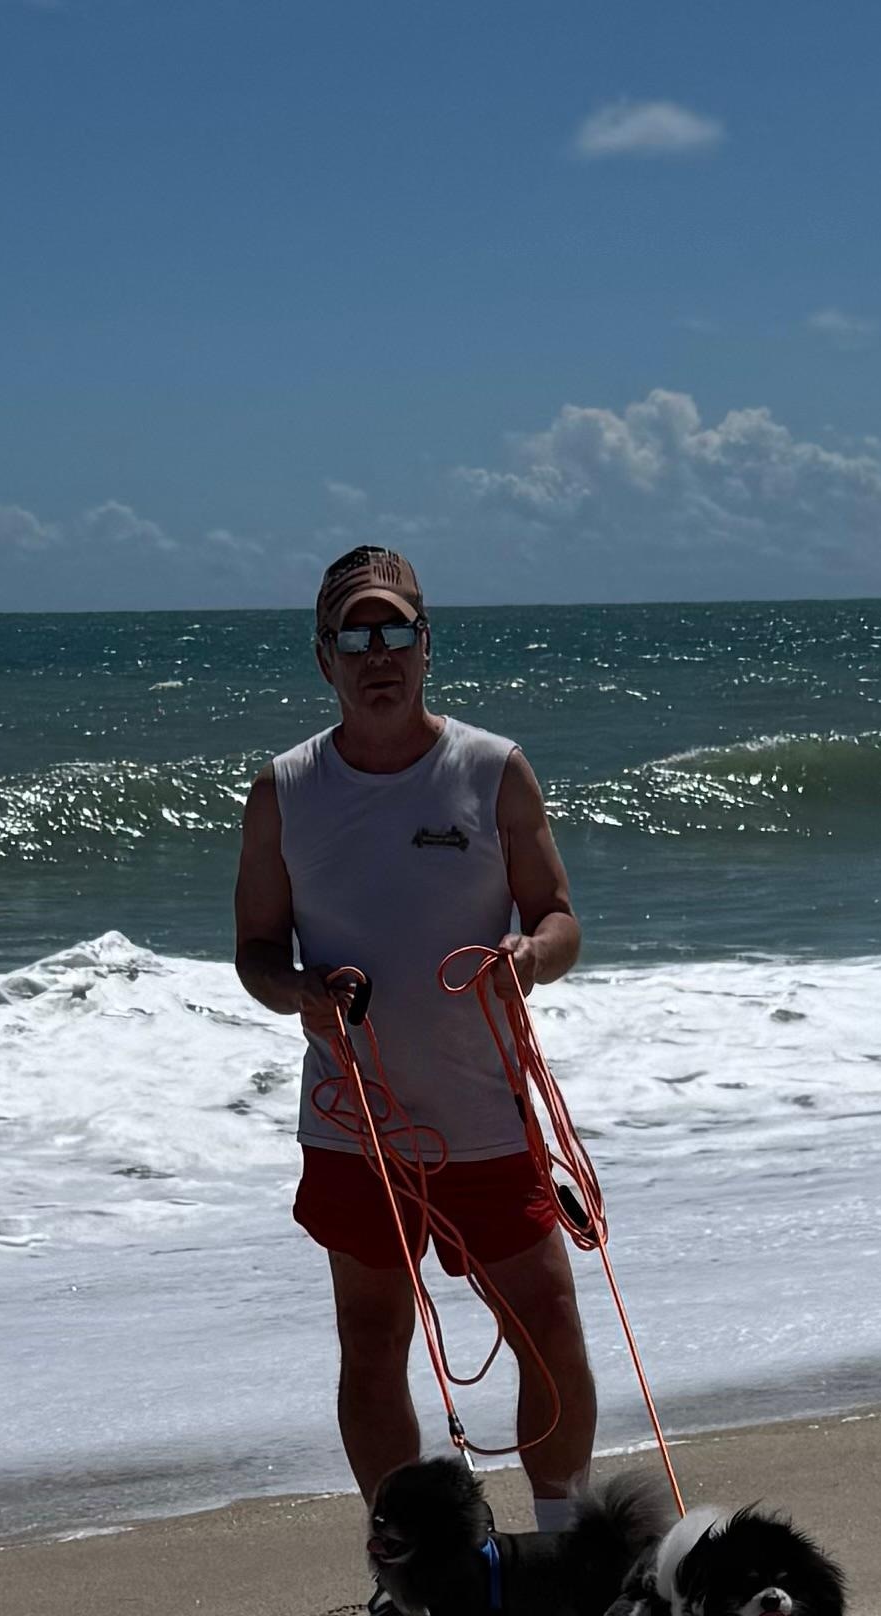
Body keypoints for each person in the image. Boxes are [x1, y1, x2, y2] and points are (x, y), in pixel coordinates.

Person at [231, 545, 607, 1547]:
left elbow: (562, 916)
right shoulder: (284, 790)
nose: (377, 651)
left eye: (394, 628)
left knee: (549, 1324)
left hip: (483, 1107)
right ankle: (409, 1554)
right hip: (356, 1121)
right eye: (355, 634)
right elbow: (257, 953)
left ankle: (564, 1537)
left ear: (427, 644)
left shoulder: (492, 768)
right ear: (324, 658)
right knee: (372, 1339)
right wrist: (302, 995)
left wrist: (528, 957)